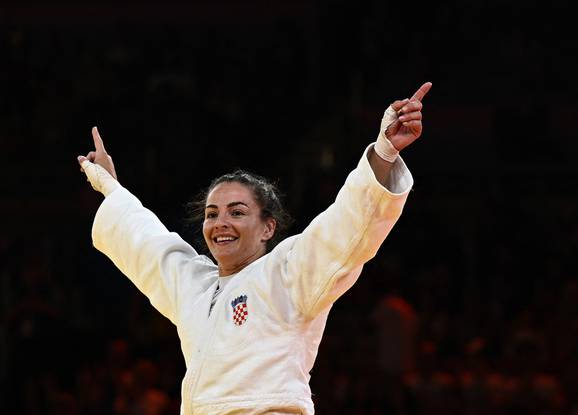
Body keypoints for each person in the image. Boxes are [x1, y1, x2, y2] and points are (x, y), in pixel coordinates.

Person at [77, 82, 432, 415]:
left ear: (268, 228)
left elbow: (344, 228)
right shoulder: (194, 284)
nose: (221, 223)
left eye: (237, 212)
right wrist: (112, 189)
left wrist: (384, 152)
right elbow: (147, 245)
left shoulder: (288, 273)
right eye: (212, 214)